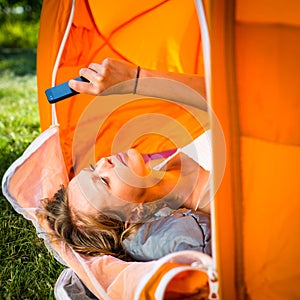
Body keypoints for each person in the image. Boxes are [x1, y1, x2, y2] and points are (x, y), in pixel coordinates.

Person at [42, 129, 212, 262]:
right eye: (103, 180)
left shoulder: (161, 154)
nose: (103, 162)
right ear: (135, 214)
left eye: (93, 167)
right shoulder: (217, 200)